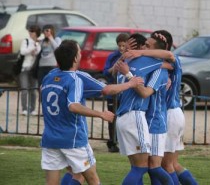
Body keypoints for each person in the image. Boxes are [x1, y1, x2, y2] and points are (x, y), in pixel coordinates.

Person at [41, 39, 144, 185]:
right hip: (73, 138)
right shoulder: (76, 78)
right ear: (76, 57)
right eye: (79, 51)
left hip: (50, 138)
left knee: (64, 178)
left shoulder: (49, 76)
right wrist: (130, 84)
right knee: (92, 178)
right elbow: (74, 105)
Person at [123, 30, 198, 184]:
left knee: (162, 165)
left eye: (149, 45)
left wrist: (138, 53)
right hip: (168, 114)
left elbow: (169, 56)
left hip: (167, 114)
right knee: (165, 165)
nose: (145, 48)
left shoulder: (170, 61)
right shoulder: (154, 64)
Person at [114, 33, 170, 185]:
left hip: (122, 118)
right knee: (141, 168)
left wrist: (124, 57)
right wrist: (130, 74)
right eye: (144, 46)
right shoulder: (143, 62)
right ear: (138, 47)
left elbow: (112, 73)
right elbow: (169, 63)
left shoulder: (122, 64)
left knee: (137, 166)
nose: (145, 49)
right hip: (135, 116)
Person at [103, 33, 129, 152]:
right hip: (113, 92)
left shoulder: (132, 56)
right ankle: (112, 142)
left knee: (125, 118)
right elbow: (105, 72)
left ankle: (123, 141)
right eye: (120, 45)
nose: (122, 48)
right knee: (112, 118)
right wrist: (114, 68)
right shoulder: (113, 56)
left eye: (124, 45)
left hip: (125, 92)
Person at [18, 25, 41, 116]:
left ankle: (32, 109)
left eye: (32, 31)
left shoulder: (39, 42)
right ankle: (24, 108)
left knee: (33, 90)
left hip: (34, 69)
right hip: (24, 68)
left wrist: (35, 49)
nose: (30, 33)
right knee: (24, 88)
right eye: (30, 31)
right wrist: (32, 49)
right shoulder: (26, 41)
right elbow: (22, 51)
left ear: (36, 33)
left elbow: (39, 53)